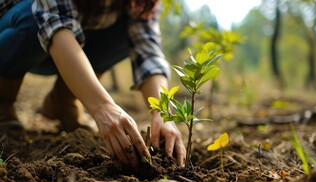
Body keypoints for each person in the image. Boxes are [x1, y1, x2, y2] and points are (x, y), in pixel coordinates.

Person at [0, 0, 186, 168]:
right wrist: (102, 106)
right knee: (32, 14)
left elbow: (148, 49)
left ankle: (62, 101)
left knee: (125, 28)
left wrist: (162, 114)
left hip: (67, 42)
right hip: (15, 35)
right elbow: (55, 23)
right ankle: (4, 102)